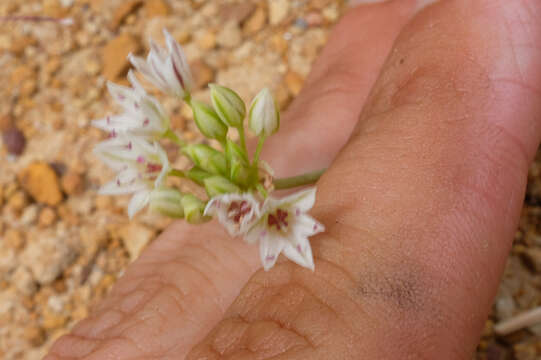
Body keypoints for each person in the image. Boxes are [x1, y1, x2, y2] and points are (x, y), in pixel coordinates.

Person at [46, 0, 541, 358]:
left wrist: (261, 209)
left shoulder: (248, 191)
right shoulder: (251, 208)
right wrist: (262, 213)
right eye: (243, 209)